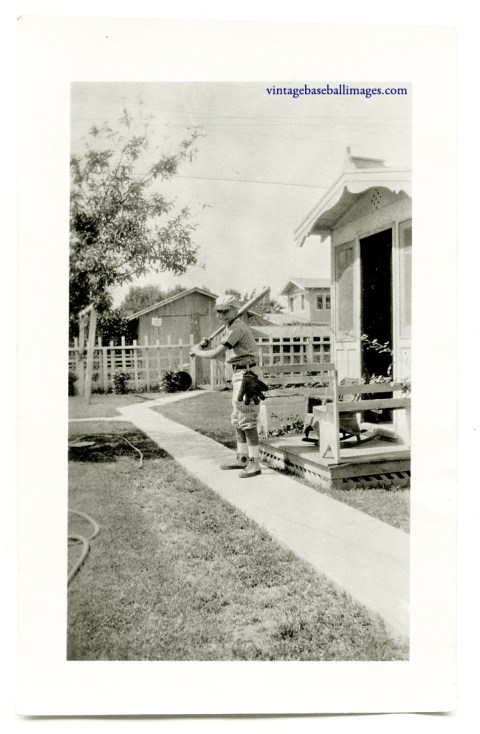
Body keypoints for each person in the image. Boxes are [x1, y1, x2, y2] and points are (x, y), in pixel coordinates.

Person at [190, 294, 265, 479]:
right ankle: (242, 458)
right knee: (238, 418)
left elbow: (218, 352)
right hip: (239, 374)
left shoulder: (237, 328)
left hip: (249, 376)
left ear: (234, 310)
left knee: (247, 420)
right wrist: (204, 346)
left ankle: (255, 463)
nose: (221, 315)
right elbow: (223, 353)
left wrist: (198, 351)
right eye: (218, 311)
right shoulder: (230, 327)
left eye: (225, 311)